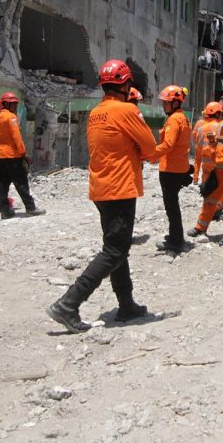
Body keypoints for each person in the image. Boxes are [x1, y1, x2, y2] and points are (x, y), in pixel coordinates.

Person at [47, 59, 156, 333]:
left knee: (117, 247)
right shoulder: (126, 111)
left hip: (101, 187)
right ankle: (69, 303)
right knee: (115, 250)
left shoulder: (96, 112)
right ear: (126, 84)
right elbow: (150, 148)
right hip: (120, 188)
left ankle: (126, 304)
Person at [190, 91, 223, 244]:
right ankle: (201, 227)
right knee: (210, 199)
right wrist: (213, 143)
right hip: (218, 169)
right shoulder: (221, 125)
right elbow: (216, 147)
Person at [0, 92, 45, 219]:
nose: (15, 106)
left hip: (1, 156)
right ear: (6, 104)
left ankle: (5, 211)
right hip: (12, 155)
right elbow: (16, 137)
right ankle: (31, 208)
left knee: (3, 184)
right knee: (21, 182)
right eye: (13, 104)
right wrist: (23, 153)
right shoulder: (11, 117)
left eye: (15, 104)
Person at [151, 85, 193, 252]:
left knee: (171, 207)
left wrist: (150, 154)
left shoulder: (174, 120)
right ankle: (175, 236)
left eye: (166, 102)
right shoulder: (183, 118)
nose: (163, 105)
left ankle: (176, 241)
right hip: (179, 167)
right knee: (172, 205)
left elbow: (168, 144)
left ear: (175, 103)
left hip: (170, 170)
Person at [194, 101, 222, 186]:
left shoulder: (201, 128)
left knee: (207, 192)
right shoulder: (221, 127)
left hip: (206, 170)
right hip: (219, 169)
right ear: (217, 114)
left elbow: (198, 154)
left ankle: (196, 179)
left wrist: (195, 177)